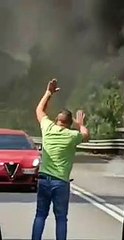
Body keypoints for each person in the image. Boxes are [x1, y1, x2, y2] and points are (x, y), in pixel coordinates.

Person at [31, 78, 90, 240]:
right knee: (61, 218)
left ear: (57, 121)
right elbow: (86, 135)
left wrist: (48, 93)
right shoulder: (72, 135)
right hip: (60, 183)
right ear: (69, 123)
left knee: (40, 215)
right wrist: (80, 124)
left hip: (43, 180)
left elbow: (39, 110)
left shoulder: (48, 128)